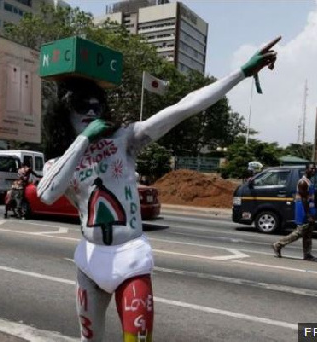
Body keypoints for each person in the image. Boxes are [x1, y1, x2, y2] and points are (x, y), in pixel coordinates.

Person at [37, 37, 280, 341]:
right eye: (80, 106)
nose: (91, 111)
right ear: (63, 113)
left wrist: (241, 73)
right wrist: (83, 140)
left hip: (130, 259)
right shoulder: (61, 162)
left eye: (96, 105)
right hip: (89, 260)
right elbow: (47, 193)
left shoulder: (125, 139)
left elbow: (184, 108)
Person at [272, 162, 317, 262]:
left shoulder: (309, 182)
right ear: (306, 170)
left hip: (309, 210)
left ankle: (307, 254)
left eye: (315, 169)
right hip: (303, 211)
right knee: (299, 232)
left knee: (308, 233)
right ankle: (278, 245)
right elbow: (304, 199)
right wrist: (308, 215)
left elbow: (310, 197)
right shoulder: (303, 182)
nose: (314, 170)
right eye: (312, 169)